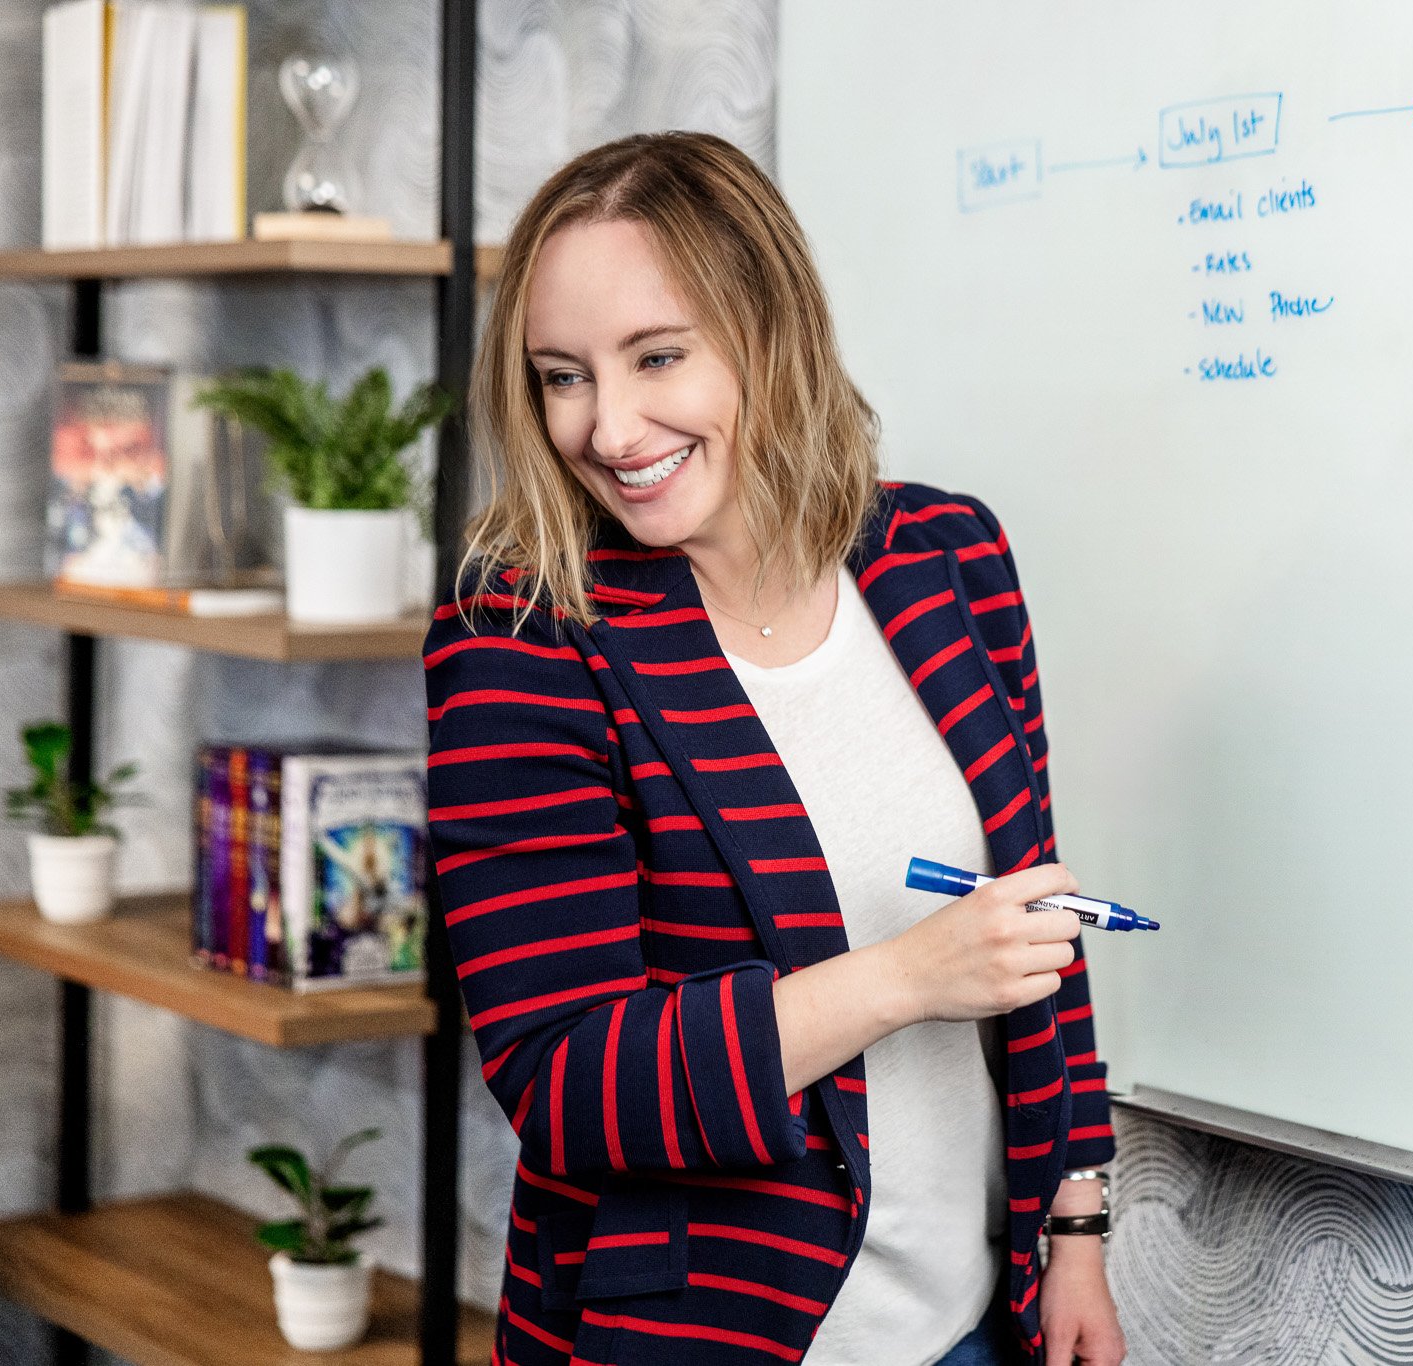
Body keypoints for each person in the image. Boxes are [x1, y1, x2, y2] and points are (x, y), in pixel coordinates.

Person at [424, 131, 1125, 1366]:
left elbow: (1031, 927)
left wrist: (1076, 1230)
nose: (609, 425)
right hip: (711, 1335)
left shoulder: (946, 560)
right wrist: (903, 979)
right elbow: (565, 1079)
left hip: (971, 1320)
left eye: (656, 358)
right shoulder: (519, 639)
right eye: (562, 375)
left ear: (767, 330)